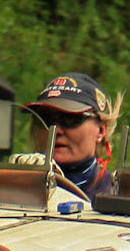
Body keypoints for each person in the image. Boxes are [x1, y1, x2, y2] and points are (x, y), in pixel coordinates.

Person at [24, 73, 120, 202]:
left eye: (70, 119)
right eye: (45, 119)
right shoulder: (13, 187)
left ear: (101, 131)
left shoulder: (118, 193)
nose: (56, 130)